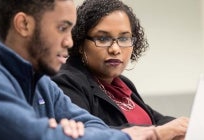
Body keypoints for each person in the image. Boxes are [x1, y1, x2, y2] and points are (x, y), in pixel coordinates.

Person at [0, 0, 159, 140]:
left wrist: (64, 133)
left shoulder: (43, 83)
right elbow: (37, 136)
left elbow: (96, 125)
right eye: (62, 28)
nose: (69, 42)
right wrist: (128, 136)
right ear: (24, 25)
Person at [52, 0, 189, 139]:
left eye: (124, 38)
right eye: (103, 38)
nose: (115, 49)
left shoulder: (122, 83)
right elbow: (87, 134)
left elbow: (156, 120)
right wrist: (157, 133)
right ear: (80, 42)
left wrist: (185, 126)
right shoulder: (66, 81)